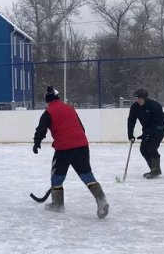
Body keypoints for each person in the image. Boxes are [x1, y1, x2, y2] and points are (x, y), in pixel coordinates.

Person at [33, 86, 109, 218]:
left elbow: (41, 130)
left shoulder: (48, 112)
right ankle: (101, 200)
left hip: (64, 149)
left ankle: (58, 204)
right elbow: (82, 128)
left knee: (57, 177)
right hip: (82, 146)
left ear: (47, 100)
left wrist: (36, 142)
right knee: (87, 175)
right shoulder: (70, 108)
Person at [127, 88, 164, 178]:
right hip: (147, 128)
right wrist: (130, 135)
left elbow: (160, 122)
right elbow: (131, 120)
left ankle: (155, 170)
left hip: (160, 127)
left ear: (144, 98)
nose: (137, 100)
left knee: (152, 147)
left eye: (139, 98)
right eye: (136, 98)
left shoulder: (154, 105)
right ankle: (154, 169)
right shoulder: (135, 107)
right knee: (143, 149)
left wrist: (149, 133)